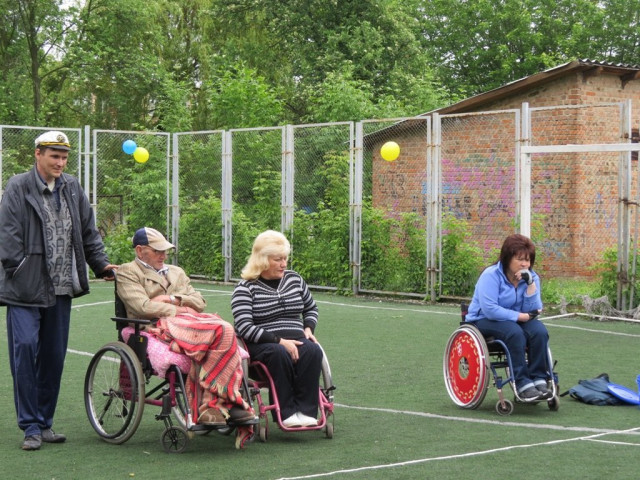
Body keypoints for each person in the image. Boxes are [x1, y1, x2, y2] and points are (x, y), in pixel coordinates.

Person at [0, 131, 117, 451]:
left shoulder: (72, 187)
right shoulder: (18, 186)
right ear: (37, 154)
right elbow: (7, 234)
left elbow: (89, 232)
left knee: (53, 356)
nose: (60, 162)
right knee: (25, 349)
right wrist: (18, 268)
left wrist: (101, 265)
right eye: (54, 156)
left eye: (64, 157)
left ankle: (45, 423)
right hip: (24, 288)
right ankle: (30, 426)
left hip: (61, 287)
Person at [115, 227, 255, 431]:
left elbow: (200, 302)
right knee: (222, 329)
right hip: (155, 325)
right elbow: (142, 307)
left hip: (188, 321)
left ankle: (218, 403)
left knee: (225, 330)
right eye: (157, 251)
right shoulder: (128, 271)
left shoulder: (176, 272)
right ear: (139, 250)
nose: (163, 255)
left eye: (165, 251)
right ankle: (216, 405)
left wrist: (171, 298)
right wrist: (182, 309)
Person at [231, 230, 323, 428]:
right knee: (279, 353)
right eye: (278, 259)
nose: (284, 264)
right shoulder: (245, 288)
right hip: (262, 344)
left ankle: (306, 411)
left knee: (313, 350)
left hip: (298, 338)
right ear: (263, 260)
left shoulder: (294, 279)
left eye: (285, 258)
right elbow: (244, 327)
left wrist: (308, 328)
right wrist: (280, 341)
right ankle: (286, 412)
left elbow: (310, 308)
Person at [464, 233, 550, 401]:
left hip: (517, 319)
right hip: (483, 320)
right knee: (514, 332)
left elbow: (533, 310)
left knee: (539, 331)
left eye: (528, 260)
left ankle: (539, 379)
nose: (525, 264)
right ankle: (522, 383)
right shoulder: (491, 275)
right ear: (507, 258)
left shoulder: (532, 277)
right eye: (520, 259)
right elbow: (490, 309)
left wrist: (531, 285)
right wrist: (520, 316)